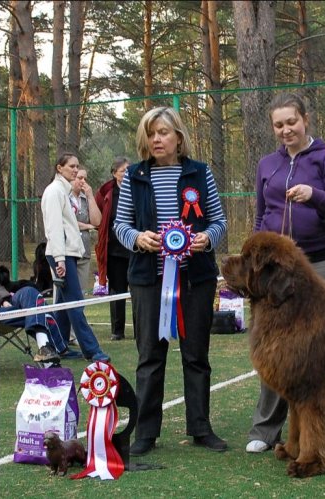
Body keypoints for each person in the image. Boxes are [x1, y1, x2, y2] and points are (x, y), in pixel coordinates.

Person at [114, 107, 228, 456]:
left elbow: (219, 223)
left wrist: (207, 238)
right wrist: (137, 239)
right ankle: (146, 433)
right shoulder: (134, 176)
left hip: (196, 278)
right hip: (148, 280)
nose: (156, 139)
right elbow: (120, 225)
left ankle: (200, 427)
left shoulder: (200, 173)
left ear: (179, 137)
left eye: (163, 132)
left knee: (196, 356)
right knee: (149, 356)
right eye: (150, 133)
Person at [245, 93, 325, 453]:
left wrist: (314, 194)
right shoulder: (267, 164)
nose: (285, 130)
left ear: (305, 119)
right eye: (278, 125)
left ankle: (321, 428)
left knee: (323, 353)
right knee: (273, 348)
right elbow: (262, 215)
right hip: (275, 276)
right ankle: (265, 430)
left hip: (320, 267)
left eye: (291, 122)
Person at [41, 152, 111, 362]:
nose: (75, 169)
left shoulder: (65, 192)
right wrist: (60, 259)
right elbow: (53, 229)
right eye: (71, 166)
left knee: (64, 304)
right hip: (60, 254)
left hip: (68, 253)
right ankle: (92, 350)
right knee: (75, 303)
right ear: (59, 169)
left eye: (76, 166)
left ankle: (58, 346)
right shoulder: (54, 192)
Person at [0, 283, 82, 364]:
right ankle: (51, 347)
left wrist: (4, 300)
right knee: (39, 306)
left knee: (29, 292)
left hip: (6, 303)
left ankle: (45, 348)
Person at [95, 157, 132, 341]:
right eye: (123, 170)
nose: (126, 173)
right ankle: (117, 331)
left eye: (128, 170)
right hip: (115, 251)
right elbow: (98, 218)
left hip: (135, 250)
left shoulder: (137, 190)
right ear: (114, 173)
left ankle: (141, 329)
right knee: (117, 290)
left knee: (138, 289)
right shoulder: (106, 193)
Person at [69, 167, 102, 294]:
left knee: (81, 292)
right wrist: (88, 226)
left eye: (85, 179)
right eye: (79, 178)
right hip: (68, 251)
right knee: (66, 293)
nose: (83, 181)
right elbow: (67, 222)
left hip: (84, 251)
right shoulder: (64, 196)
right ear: (72, 179)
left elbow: (97, 222)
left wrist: (90, 197)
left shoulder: (85, 199)